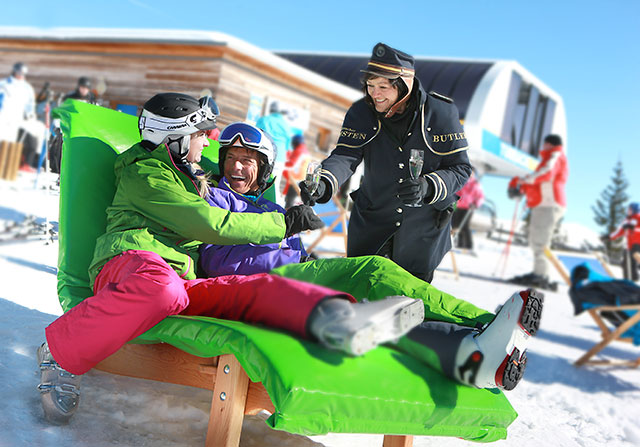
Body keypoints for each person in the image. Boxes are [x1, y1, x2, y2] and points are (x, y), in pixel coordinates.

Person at [36, 93, 426, 425]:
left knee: (252, 291)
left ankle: (341, 318)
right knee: (161, 288)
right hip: (128, 264)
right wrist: (283, 223)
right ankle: (60, 352)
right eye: (200, 135)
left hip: (179, 279)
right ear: (173, 138)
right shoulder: (146, 174)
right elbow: (212, 224)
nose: (207, 144)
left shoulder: (185, 174)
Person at [200, 121, 544, 393]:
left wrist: (300, 250)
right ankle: (485, 322)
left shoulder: (271, 206)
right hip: (265, 285)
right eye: (230, 158)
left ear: (262, 168)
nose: (236, 167)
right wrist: (290, 256)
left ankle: (471, 352)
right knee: (375, 271)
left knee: (384, 313)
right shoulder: (216, 199)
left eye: (246, 160)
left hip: (293, 278)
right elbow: (217, 260)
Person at [299, 43, 471, 284]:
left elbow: (461, 168)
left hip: (421, 233)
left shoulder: (440, 113)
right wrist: (325, 182)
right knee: (363, 294)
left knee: (409, 303)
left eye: (383, 86)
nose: (375, 94)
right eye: (370, 86)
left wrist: (428, 187)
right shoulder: (361, 112)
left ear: (405, 85)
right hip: (372, 226)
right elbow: (345, 156)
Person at [508, 134, 568, 289]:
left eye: (545, 144)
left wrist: (523, 181)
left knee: (541, 241)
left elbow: (547, 173)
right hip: (543, 204)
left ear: (549, 144)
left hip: (549, 204)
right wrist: (522, 188)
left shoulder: (555, 156)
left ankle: (541, 275)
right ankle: (538, 273)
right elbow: (539, 181)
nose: (543, 147)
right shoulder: (548, 158)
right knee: (536, 240)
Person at [0, 62, 36, 143]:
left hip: (15, 119)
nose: (21, 75)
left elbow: (30, 104)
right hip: (1, 118)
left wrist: (30, 114)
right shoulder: (3, 83)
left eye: (23, 73)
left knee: (10, 142)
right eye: (19, 73)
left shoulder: (27, 88)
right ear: (14, 71)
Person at [606, 202, 640, 281]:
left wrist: (632, 227)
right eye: (628, 209)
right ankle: (627, 280)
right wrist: (608, 236)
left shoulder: (638, 217)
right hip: (629, 245)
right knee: (625, 263)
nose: (628, 211)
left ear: (634, 210)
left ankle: (634, 279)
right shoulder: (626, 220)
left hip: (637, 243)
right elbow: (619, 231)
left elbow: (635, 227)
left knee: (634, 257)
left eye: (630, 209)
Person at [452, 168, 484, 250]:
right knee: (456, 225)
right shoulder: (462, 181)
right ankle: (459, 244)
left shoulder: (475, 184)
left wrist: (476, 204)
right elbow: (456, 192)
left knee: (464, 226)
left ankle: (468, 245)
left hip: (468, 207)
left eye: (472, 173)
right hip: (458, 206)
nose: (470, 175)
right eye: (469, 173)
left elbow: (480, 197)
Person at [282, 134, 311, 208]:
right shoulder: (304, 151)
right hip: (301, 179)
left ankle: (287, 216)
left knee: (290, 200)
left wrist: (283, 163)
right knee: (291, 200)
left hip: (296, 180)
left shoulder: (299, 151)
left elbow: (292, 164)